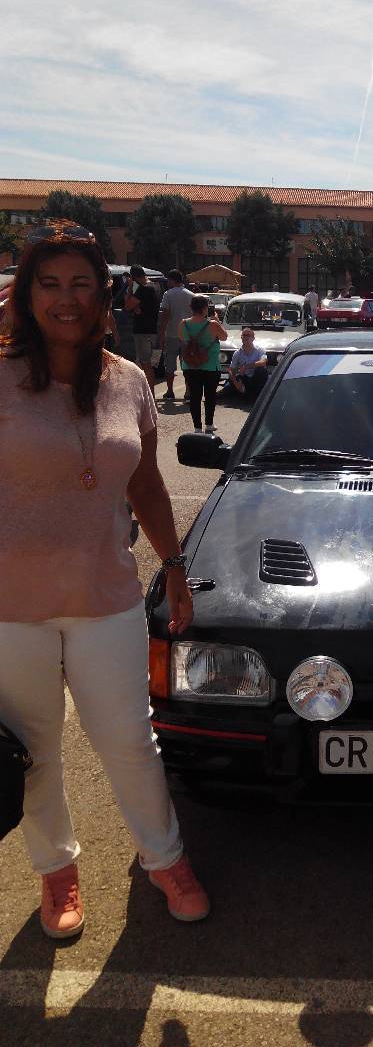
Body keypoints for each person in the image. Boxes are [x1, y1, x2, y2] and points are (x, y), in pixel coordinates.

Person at [0, 220, 210, 938]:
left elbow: (148, 486)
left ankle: (166, 859)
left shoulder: (129, 381)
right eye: (49, 284)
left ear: (104, 294)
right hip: (9, 609)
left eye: (81, 284)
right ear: (25, 294)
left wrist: (175, 569)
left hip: (106, 598)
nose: (65, 299)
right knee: (35, 752)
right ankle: (57, 874)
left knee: (129, 740)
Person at [178, 295, 226, 434]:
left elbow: (181, 338)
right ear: (205, 308)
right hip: (210, 366)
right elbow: (224, 337)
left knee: (194, 396)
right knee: (210, 396)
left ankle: (197, 427)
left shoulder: (183, 323)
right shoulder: (212, 324)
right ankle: (209, 424)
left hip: (190, 365)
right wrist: (216, 320)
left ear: (191, 308)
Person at [157, 270, 193, 401]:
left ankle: (170, 391)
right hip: (187, 336)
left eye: (168, 280)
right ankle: (188, 392)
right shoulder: (191, 295)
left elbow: (165, 314)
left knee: (170, 364)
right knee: (187, 365)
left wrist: (161, 334)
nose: (167, 282)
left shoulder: (168, 294)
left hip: (172, 334)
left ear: (172, 280)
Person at [124, 265, 160, 395]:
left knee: (145, 363)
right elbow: (138, 307)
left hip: (143, 331)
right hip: (152, 329)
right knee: (147, 363)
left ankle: (150, 396)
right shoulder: (155, 287)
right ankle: (148, 394)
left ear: (134, 277)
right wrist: (136, 309)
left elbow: (128, 305)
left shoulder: (143, 289)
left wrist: (129, 288)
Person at [223, 326, 268, 400]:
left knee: (262, 371)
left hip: (256, 379)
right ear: (241, 337)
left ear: (253, 338)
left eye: (248, 335)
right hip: (244, 378)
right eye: (244, 335)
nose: (245, 337)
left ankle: (257, 396)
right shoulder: (237, 353)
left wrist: (246, 367)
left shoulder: (260, 350)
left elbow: (264, 361)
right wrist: (236, 383)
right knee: (231, 386)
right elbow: (231, 369)